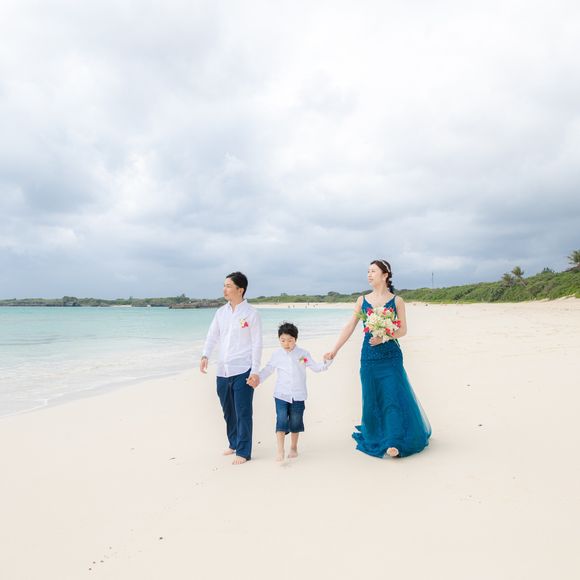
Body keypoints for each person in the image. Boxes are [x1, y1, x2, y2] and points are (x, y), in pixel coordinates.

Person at [325, 260, 431, 458]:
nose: (369, 274)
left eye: (373, 271)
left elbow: (403, 330)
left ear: (385, 275)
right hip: (369, 357)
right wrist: (334, 350)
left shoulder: (397, 301)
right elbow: (350, 326)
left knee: (392, 396)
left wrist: (384, 337)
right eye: (368, 271)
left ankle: (393, 441)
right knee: (372, 397)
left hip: (391, 356)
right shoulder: (362, 300)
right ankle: (376, 435)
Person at [200, 272, 262, 465]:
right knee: (228, 411)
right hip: (223, 370)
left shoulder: (251, 314)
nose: (224, 289)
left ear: (240, 290)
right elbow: (212, 336)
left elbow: (257, 344)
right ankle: (234, 443)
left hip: (243, 369)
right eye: (224, 285)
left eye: (228, 286)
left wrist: (255, 371)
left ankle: (243, 451)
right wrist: (205, 355)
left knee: (243, 412)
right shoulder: (221, 312)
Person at [247, 322, 332, 461]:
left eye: (290, 340)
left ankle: (293, 447)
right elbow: (268, 370)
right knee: (280, 420)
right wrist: (257, 379)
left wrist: (326, 361)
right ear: (279, 339)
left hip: (298, 395)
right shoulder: (277, 355)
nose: (286, 343)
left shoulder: (302, 354)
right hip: (281, 394)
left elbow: (316, 367)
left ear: (295, 339)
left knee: (295, 422)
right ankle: (280, 450)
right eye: (283, 340)